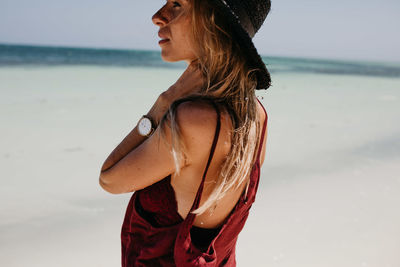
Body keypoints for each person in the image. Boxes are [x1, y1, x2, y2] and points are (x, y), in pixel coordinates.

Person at [99, 0, 272, 265]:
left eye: (177, 4)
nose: (157, 17)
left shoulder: (190, 121)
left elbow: (109, 179)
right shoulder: (256, 117)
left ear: (214, 24)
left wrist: (162, 104)